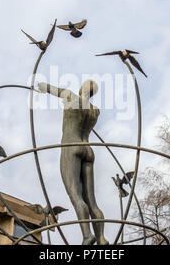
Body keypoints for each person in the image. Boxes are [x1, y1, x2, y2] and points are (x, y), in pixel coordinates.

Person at [37, 79, 109, 245]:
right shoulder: (95, 111)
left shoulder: (70, 96)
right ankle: (101, 238)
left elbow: (51, 89)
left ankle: (87, 236)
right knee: (92, 201)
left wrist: (41, 86)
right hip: (88, 150)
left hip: (71, 146)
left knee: (76, 195)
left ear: (82, 88)